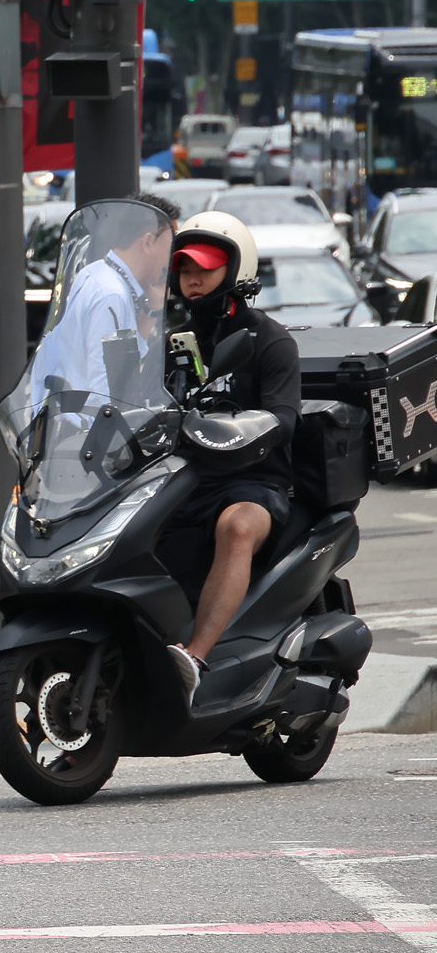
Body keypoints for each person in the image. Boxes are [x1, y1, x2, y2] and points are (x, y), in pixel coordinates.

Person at [155, 212, 299, 702]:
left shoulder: (270, 340)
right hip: (184, 479)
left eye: (206, 268)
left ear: (235, 271)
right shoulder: (172, 341)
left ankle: (193, 658)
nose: (192, 279)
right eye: (184, 269)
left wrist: (243, 429)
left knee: (236, 527)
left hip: (254, 483)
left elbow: (284, 418)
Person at [28, 192, 181, 408]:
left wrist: (150, 312)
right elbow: (106, 389)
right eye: (171, 244)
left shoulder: (98, 274)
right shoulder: (111, 294)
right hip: (82, 431)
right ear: (148, 241)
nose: (172, 256)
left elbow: (122, 370)